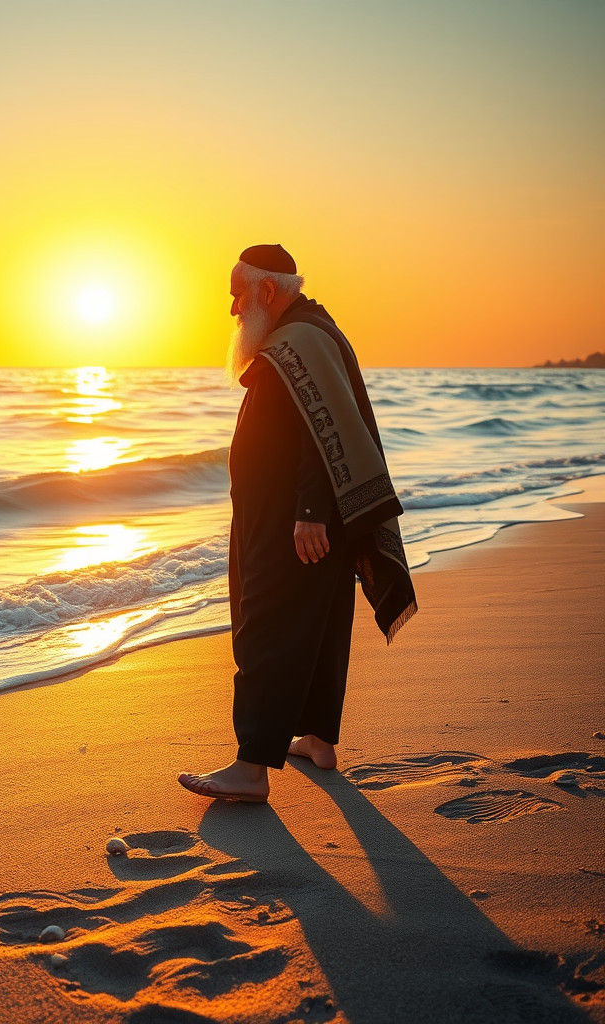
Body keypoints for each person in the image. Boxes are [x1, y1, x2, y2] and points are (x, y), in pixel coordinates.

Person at [178, 244, 417, 803]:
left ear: (266, 290)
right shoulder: (312, 329)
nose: (232, 309)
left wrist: (309, 512)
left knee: (267, 626)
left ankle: (250, 768)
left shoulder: (299, 340)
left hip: (295, 520)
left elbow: (322, 432)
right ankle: (317, 740)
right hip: (306, 516)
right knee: (321, 623)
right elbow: (326, 421)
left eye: (237, 294)